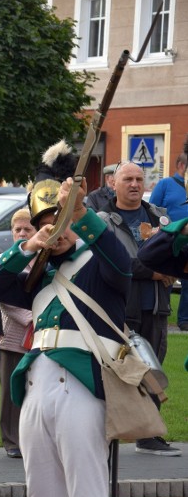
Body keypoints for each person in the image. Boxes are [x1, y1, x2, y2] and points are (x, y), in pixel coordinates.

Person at [0, 140, 131, 497]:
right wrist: (29, 246)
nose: (56, 229)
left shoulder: (98, 264)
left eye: (60, 219)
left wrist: (80, 213)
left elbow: (123, 264)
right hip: (36, 387)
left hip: (80, 387)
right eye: (47, 221)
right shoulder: (39, 276)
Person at [98, 161, 181, 456]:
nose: (134, 184)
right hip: (121, 307)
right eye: (128, 179)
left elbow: (174, 253)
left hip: (156, 305)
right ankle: (105, 433)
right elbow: (115, 262)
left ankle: (148, 435)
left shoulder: (160, 217)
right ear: (114, 184)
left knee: (153, 367)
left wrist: (167, 267)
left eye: (139, 179)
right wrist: (156, 270)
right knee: (118, 370)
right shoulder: (104, 220)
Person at [0, 208, 34, 459]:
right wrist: (33, 318)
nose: (22, 233)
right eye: (17, 229)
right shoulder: (6, 258)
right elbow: (3, 298)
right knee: (10, 393)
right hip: (12, 339)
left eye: (27, 229)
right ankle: (11, 440)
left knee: (34, 390)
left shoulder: (45, 258)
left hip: (41, 338)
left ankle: (31, 438)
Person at [149, 149, 188, 330]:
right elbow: (153, 210)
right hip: (169, 239)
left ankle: (184, 319)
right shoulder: (166, 184)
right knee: (167, 277)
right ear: (182, 166)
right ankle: (161, 310)